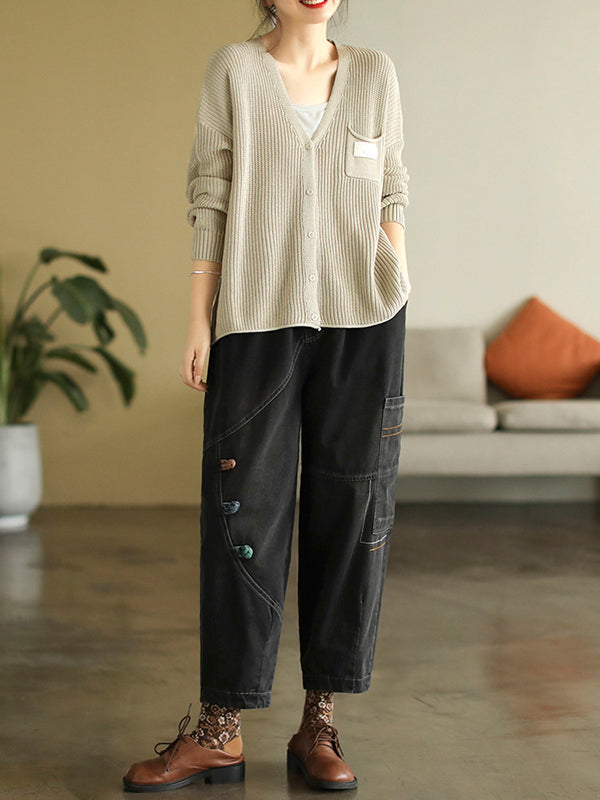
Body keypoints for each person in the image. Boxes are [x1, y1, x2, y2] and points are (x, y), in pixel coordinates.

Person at [123, 0, 411, 791]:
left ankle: (320, 723)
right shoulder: (236, 71)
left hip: (365, 323)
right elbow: (211, 194)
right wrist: (199, 319)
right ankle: (220, 729)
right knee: (241, 517)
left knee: (351, 512)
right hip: (254, 320)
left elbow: (392, 190)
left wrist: (396, 282)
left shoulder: (375, 74)